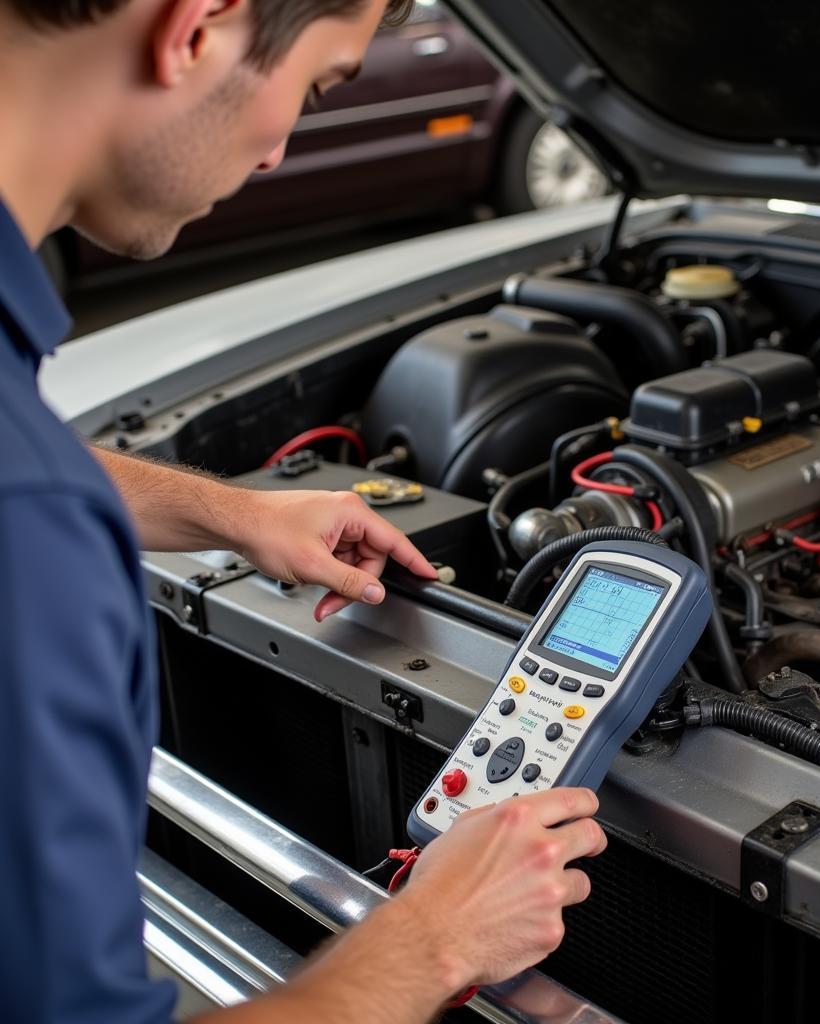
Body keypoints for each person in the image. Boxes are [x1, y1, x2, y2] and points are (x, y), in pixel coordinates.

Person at [0, 2, 607, 1022]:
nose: (279, 150)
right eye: (320, 83)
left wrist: (231, 512)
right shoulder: (36, 534)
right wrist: (435, 935)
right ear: (198, 27)